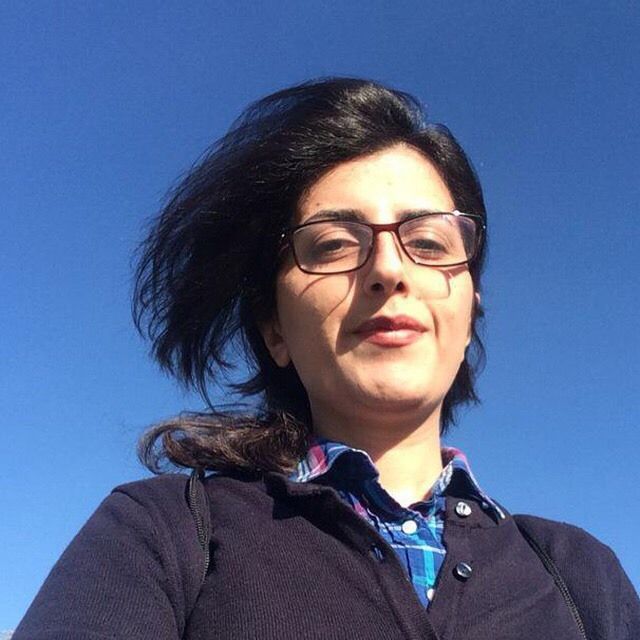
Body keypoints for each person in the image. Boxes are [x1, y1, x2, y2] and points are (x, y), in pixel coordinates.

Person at [14, 78, 639, 640]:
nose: (388, 269)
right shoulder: (159, 532)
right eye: (335, 244)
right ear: (274, 330)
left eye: (427, 241)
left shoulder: (581, 575)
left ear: (471, 307)